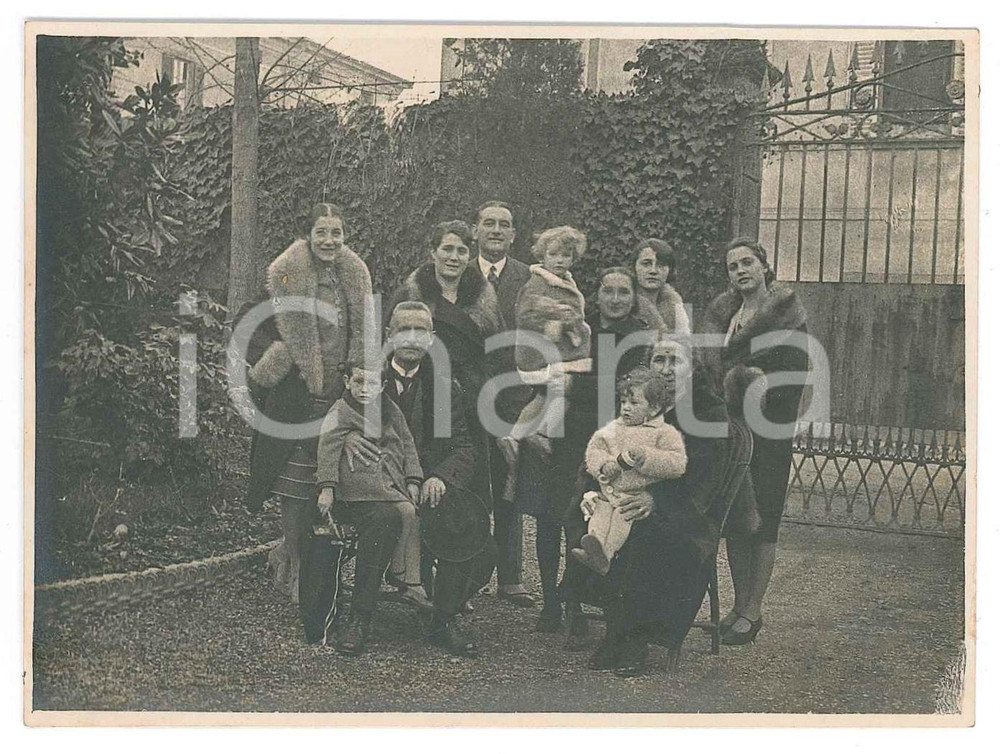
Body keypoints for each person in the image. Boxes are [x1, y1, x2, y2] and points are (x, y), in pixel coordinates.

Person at [560, 335, 733, 676]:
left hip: (686, 508)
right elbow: (609, 450)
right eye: (659, 360)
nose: (666, 369)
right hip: (625, 496)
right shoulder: (640, 401)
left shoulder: (706, 409)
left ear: (692, 367)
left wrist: (657, 501)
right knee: (587, 518)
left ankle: (631, 638)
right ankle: (616, 623)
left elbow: (706, 477)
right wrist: (598, 488)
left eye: (675, 361)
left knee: (648, 533)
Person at [243, 203, 375, 604]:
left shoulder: (355, 275)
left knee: (332, 480)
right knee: (295, 485)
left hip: (340, 395)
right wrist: (282, 356)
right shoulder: (286, 273)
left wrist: (360, 373)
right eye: (322, 232)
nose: (329, 241)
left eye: (337, 233)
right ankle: (295, 561)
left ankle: (307, 561)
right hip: (297, 395)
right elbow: (249, 323)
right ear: (308, 235)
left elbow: (366, 334)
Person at [515, 266, 659, 633]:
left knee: (586, 518)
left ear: (633, 297)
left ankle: (576, 602)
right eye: (608, 290)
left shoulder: (638, 338)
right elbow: (550, 364)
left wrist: (573, 386)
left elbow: (625, 389)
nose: (615, 298)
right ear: (597, 294)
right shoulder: (581, 325)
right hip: (561, 430)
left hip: (606, 437)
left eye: (623, 292)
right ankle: (551, 602)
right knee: (550, 516)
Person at [701, 238, 808, 646]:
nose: (741, 271)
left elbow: (794, 374)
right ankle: (737, 603)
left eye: (748, 263)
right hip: (730, 432)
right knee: (735, 517)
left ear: (764, 266)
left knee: (763, 520)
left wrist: (747, 384)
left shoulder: (787, 314)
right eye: (733, 266)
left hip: (768, 431)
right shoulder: (725, 314)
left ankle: (753, 610)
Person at [383, 301, 497, 656]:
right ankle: (369, 608)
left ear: (431, 339)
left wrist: (439, 477)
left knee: (479, 540)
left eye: (420, 331)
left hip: (428, 485)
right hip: (381, 483)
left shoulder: (445, 387)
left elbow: (463, 447)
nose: (411, 338)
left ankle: (442, 616)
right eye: (403, 329)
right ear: (388, 335)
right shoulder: (370, 382)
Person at [314, 361, 432, 620]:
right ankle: (404, 577)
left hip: (389, 480)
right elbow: (328, 449)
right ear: (347, 382)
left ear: (382, 386)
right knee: (399, 513)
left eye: (372, 383)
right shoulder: (341, 410)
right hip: (359, 484)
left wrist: (413, 479)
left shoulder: (390, 409)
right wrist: (327, 488)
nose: (365, 389)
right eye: (359, 382)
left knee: (410, 513)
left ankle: (406, 576)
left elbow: (408, 443)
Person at [471, 201, 536, 608]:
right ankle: (471, 571)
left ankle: (510, 577)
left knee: (510, 485)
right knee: (472, 486)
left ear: (513, 235)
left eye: (504, 225)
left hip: (515, 397)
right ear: (475, 231)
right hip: (467, 396)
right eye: (489, 223)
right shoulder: (459, 273)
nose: (496, 230)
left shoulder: (529, 277)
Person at [497, 226, 591, 499]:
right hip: (539, 353)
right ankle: (527, 434)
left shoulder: (564, 281)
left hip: (559, 352)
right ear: (542, 256)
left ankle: (524, 434)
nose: (560, 260)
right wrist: (557, 324)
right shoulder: (538, 283)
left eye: (566, 255)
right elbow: (526, 316)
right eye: (554, 255)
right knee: (552, 391)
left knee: (550, 395)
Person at [573, 367, 687, 576]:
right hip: (609, 491)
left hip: (633, 495)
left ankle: (606, 555)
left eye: (634, 403)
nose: (626, 408)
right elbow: (594, 450)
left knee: (622, 516)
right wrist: (603, 464)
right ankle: (595, 547)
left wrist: (648, 457)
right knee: (600, 510)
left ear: (653, 408)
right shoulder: (612, 429)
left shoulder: (664, 433)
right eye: (623, 401)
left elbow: (677, 464)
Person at [632, 238, 691, 336]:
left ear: (670, 270)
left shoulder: (675, 306)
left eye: (661, 265)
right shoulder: (627, 304)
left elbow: (685, 342)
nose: (653, 271)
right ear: (634, 267)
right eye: (646, 264)